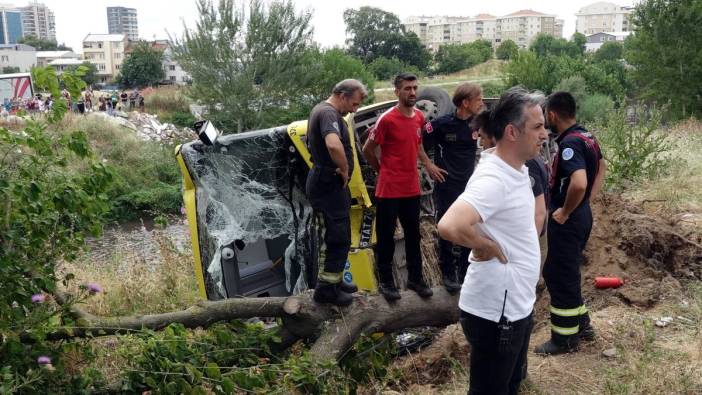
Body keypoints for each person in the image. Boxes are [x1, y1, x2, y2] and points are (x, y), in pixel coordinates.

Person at [437, 87, 547, 395]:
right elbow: (450, 224)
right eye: (537, 127)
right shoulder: (494, 179)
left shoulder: (515, 170)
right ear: (512, 132)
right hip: (498, 315)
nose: (545, 134)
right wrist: (484, 245)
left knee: (511, 385)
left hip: (515, 308)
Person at [534, 91, 606, 355]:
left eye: (545, 117)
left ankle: (564, 340)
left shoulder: (569, 145)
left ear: (552, 114)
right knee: (567, 272)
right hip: (582, 214)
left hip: (569, 219)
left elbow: (579, 181)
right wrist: (586, 202)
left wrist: (566, 211)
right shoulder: (587, 136)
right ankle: (583, 326)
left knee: (559, 275)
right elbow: (602, 168)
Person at [362, 73, 444, 301]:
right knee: (386, 237)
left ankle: (415, 279)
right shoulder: (386, 120)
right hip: (389, 188)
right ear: (397, 92)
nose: (412, 93)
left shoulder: (418, 117)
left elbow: (417, 143)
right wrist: (382, 170)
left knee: (413, 235)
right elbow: (368, 149)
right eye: (407, 88)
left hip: (411, 187)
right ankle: (386, 283)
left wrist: (427, 164)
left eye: (415, 88)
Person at [306, 79, 368, 306]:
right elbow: (333, 144)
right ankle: (325, 290)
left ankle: (336, 280)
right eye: (354, 103)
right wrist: (343, 168)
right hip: (326, 184)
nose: (355, 109)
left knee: (341, 236)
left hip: (331, 185)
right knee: (332, 237)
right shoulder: (328, 114)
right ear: (342, 95)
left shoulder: (328, 113)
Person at [423, 82, 483, 293]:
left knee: (469, 227)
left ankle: (466, 272)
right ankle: (448, 273)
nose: (481, 103)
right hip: (446, 185)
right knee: (446, 227)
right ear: (465, 103)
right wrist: (428, 165)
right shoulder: (441, 124)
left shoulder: (477, 124)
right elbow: (417, 141)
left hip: (470, 187)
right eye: (478, 100)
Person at [474, 110, 549, 236]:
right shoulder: (511, 161)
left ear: (494, 138)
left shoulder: (524, 162)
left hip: (530, 237)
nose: (481, 143)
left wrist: (527, 249)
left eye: (483, 137)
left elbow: (538, 213)